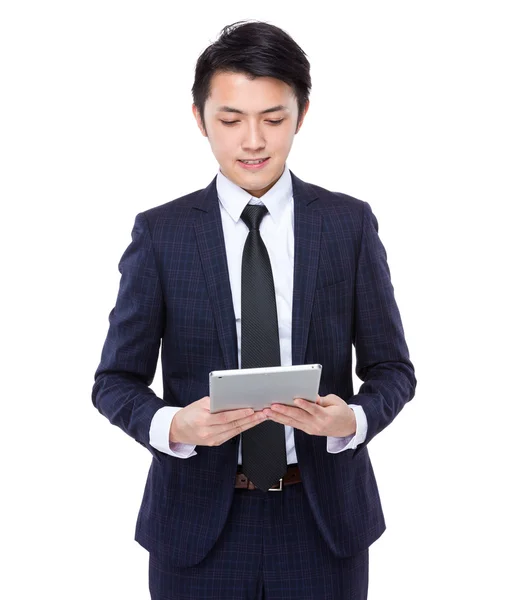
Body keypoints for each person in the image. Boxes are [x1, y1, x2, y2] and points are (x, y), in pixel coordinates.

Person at [92, 19, 417, 600]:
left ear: (302, 114)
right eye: (230, 120)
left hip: (322, 525)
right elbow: (115, 381)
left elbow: (393, 369)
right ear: (199, 119)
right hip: (196, 527)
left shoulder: (348, 225)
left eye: (273, 119)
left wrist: (355, 422)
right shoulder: (161, 234)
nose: (253, 142)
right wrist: (173, 426)